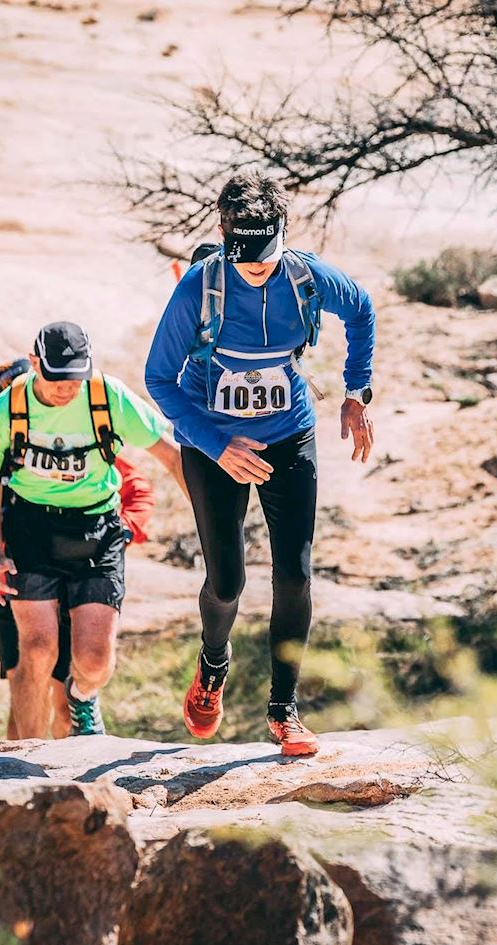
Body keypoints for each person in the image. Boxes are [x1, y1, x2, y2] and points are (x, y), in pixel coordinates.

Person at [144, 169, 376, 757]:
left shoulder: (305, 275)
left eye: (265, 255)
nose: (256, 268)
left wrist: (356, 392)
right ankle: (213, 666)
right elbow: (158, 379)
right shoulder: (200, 286)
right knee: (227, 580)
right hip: (211, 440)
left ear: (283, 231)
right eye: (244, 257)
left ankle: (284, 711)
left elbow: (362, 309)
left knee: (294, 574)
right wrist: (218, 445)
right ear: (223, 234)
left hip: (287, 435)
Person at [0, 358, 158, 740]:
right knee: (24, 676)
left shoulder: (79, 440)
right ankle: (21, 771)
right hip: (11, 575)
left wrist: (126, 531)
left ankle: (64, 772)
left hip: (69, 575)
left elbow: (138, 487)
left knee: (63, 692)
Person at [0, 322, 185, 739]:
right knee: (36, 650)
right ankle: (26, 764)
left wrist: (214, 531)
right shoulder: (6, 410)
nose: (68, 389)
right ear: (34, 365)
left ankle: (83, 695)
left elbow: (172, 456)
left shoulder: (108, 397)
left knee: (94, 662)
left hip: (96, 531)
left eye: (75, 379)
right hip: (31, 529)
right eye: (57, 381)